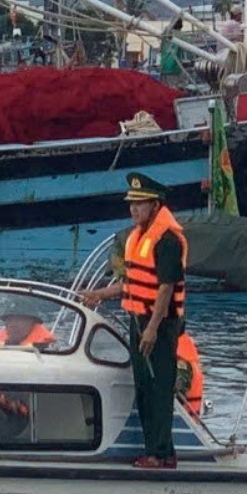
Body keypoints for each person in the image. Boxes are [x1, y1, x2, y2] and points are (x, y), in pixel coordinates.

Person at [79, 173, 187, 469]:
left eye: (140, 205)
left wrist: (152, 328)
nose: (133, 210)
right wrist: (99, 293)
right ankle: (159, 449)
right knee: (143, 386)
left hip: (159, 326)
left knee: (157, 388)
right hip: (138, 321)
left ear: (155, 205)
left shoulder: (166, 240)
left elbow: (165, 287)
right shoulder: (138, 238)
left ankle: (160, 453)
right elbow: (132, 284)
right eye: (131, 205)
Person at [176, 332, 204, 417]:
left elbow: (179, 390)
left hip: (183, 416)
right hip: (191, 414)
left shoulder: (182, 362)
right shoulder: (188, 356)